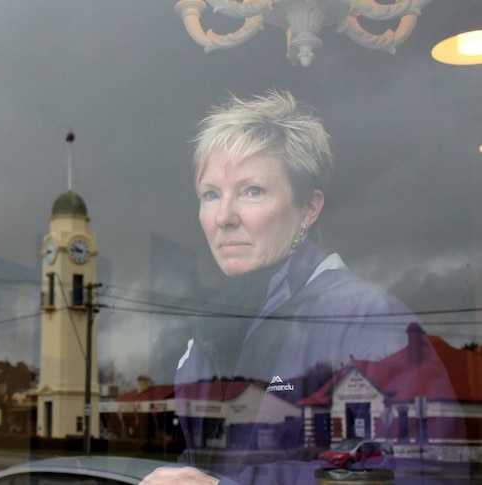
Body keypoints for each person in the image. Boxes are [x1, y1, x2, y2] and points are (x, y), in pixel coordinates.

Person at [141, 90, 445, 485]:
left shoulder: (369, 321)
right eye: (211, 194)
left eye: (253, 191)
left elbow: (414, 475)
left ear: (309, 208)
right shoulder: (205, 337)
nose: (224, 216)